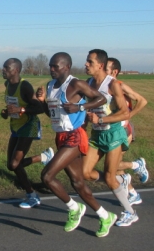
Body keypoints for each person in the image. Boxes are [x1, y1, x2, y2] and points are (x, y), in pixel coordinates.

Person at [37, 52, 117, 237]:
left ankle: (74, 208)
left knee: (47, 176)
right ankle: (105, 216)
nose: (51, 69)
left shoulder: (75, 84)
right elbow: (52, 115)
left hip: (75, 136)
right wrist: (41, 102)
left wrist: (80, 107)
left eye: (55, 66)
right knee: (78, 183)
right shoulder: (50, 86)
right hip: (61, 137)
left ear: (66, 67)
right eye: (50, 65)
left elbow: (101, 98)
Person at [82, 49, 138, 227]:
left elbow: (124, 112)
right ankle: (118, 180)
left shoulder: (112, 85)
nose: (86, 64)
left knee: (108, 178)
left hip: (113, 133)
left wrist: (102, 119)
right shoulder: (88, 83)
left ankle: (130, 212)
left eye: (90, 62)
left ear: (100, 65)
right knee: (86, 173)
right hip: (97, 134)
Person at [0, 58, 51, 208]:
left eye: (6, 68)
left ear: (15, 70)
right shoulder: (7, 84)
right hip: (16, 125)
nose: (3, 70)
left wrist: (21, 110)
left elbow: (39, 109)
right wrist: (5, 112)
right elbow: (12, 107)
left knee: (15, 163)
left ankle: (32, 195)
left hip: (29, 125)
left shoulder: (25, 86)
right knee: (11, 165)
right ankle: (43, 157)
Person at [106, 57, 148, 205]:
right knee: (114, 166)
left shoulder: (119, 85)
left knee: (113, 165)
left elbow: (142, 101)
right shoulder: (102, 86)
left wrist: (128, 116)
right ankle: (132, 193)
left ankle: (136, 165)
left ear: (114, 71)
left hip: (124, 129)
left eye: (106, 68)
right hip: (110, 130)